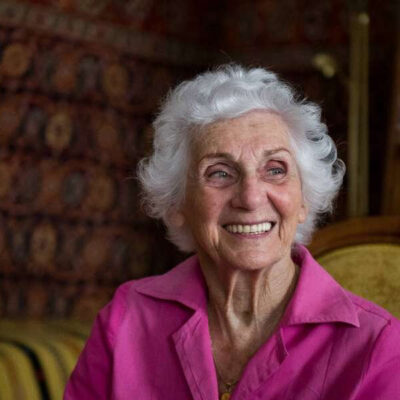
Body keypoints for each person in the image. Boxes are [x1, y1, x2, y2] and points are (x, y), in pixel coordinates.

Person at [64, 65, 400, 400]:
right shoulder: (126, 321)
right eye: (220, 173)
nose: (251, 198)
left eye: (275, 169)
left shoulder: (378, 349)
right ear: (178, 203)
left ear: (303, 201)